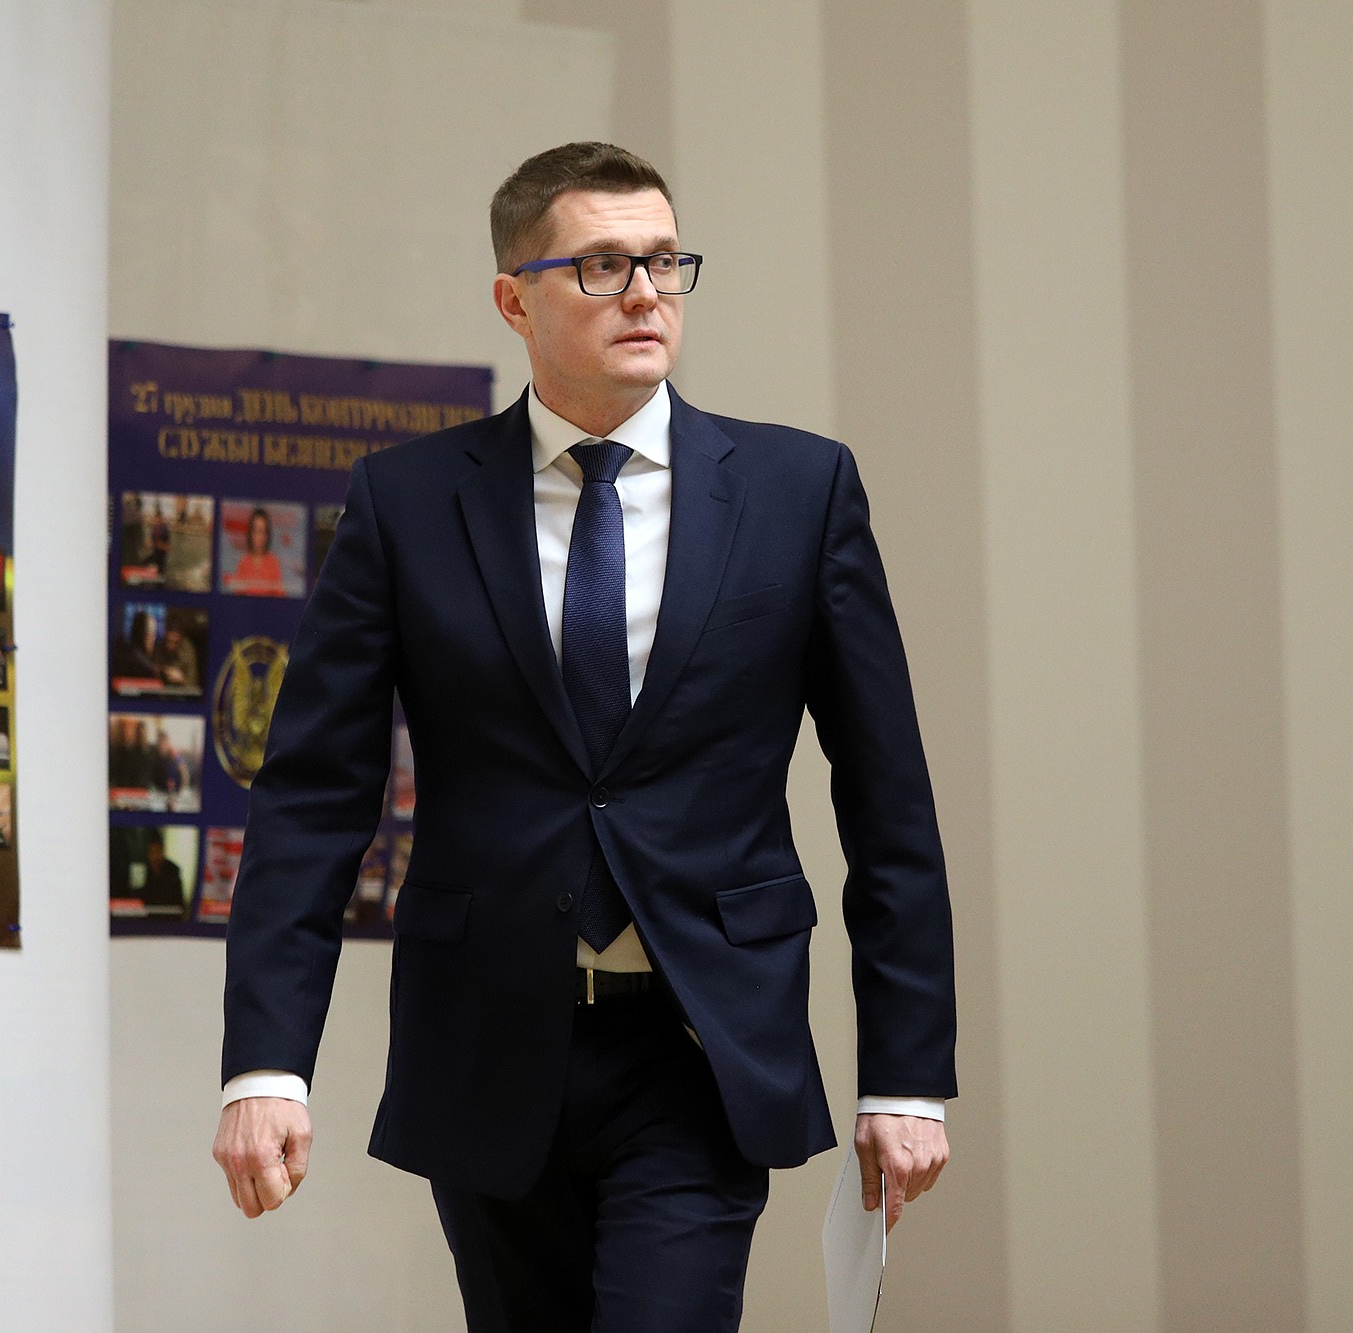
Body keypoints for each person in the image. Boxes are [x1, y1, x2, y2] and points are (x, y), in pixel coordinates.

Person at [213, 143, 955, 1331]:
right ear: (513, 300)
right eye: (602, 266)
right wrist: (265, 1063)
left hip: (701, 1039)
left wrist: (905, 1074)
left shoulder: (797, 490)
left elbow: (886, 797)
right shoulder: (406, 501)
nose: (646, 294)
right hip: (487, 1037)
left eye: (663, 261)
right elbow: (312, 798)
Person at [222, 506, 286, 595]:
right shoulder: (243, 563)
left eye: (262, 531)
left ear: (266, 535)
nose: (259, 536)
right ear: (250, 533)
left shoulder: (273, 563)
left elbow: (280, 596)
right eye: (255, 531)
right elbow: (238, 596)